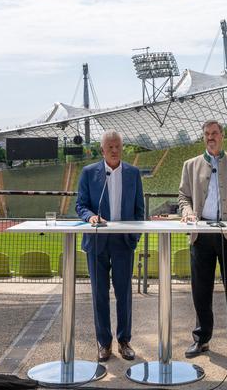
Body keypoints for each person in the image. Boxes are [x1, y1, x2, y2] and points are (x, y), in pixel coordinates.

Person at [178, 119, 227, 362]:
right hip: (201, 234)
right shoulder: (190, 165)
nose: (211, 137)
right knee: (201, 289)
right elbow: (183, 196)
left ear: (222, 136)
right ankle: (201, 338)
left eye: (214, 133)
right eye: (207, 133)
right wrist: (187, 212)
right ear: (203, 137)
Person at [76, 130, 146, 362]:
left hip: (123, 242)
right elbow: (81, 205)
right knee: (99, 294)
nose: (114, 150)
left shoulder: (133, 173)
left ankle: (124, 341)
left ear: (122, 148)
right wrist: (90, 217)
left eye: (118, 146)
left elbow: (139, 210)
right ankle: (103, 343)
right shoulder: (88, 173)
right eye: (110, 147)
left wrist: (133, 238)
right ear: (102, 150)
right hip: (97, 241)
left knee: (124, 293)